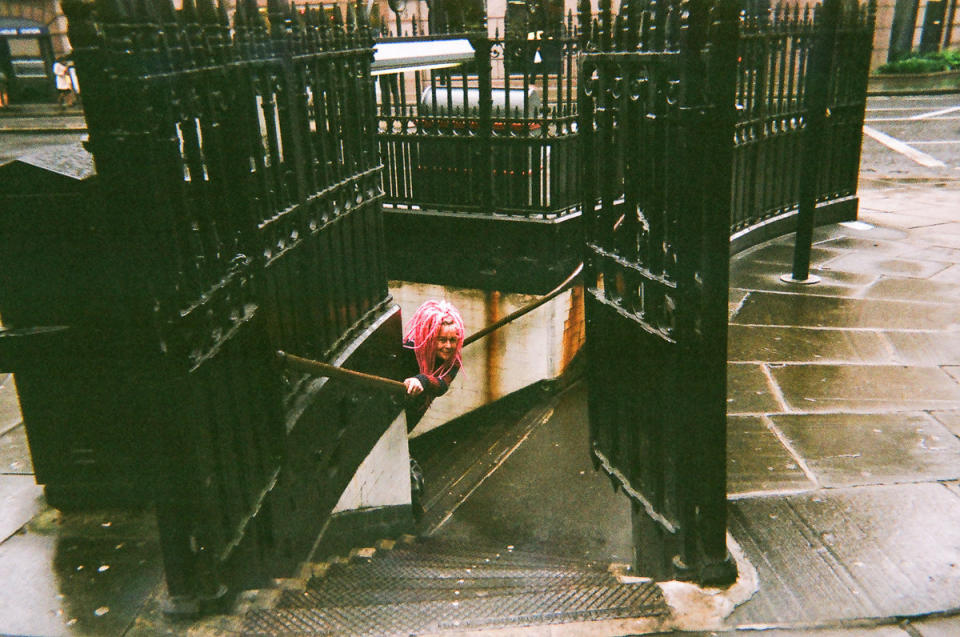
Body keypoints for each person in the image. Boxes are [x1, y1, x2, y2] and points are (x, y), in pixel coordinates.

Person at [400, 300, 465, 519]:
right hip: (394, 415)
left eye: (453, 340)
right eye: (442, 340)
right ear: (429, 339)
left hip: (411, 415)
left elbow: (441, 385)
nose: (448, 346)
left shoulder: (452, 363)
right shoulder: (410, 351)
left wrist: (422, 381)